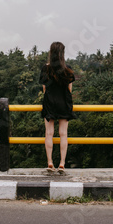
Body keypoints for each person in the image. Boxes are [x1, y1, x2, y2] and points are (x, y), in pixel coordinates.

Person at [39, 42, 76, 174]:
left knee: (49, 133)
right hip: (64, 103)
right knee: (63, 134)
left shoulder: (46, 68)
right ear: (62, 53)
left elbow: (44, 88)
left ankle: (50, 162)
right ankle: (61, 163)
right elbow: (69, 89)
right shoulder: (68, 69)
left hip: (50, 102)